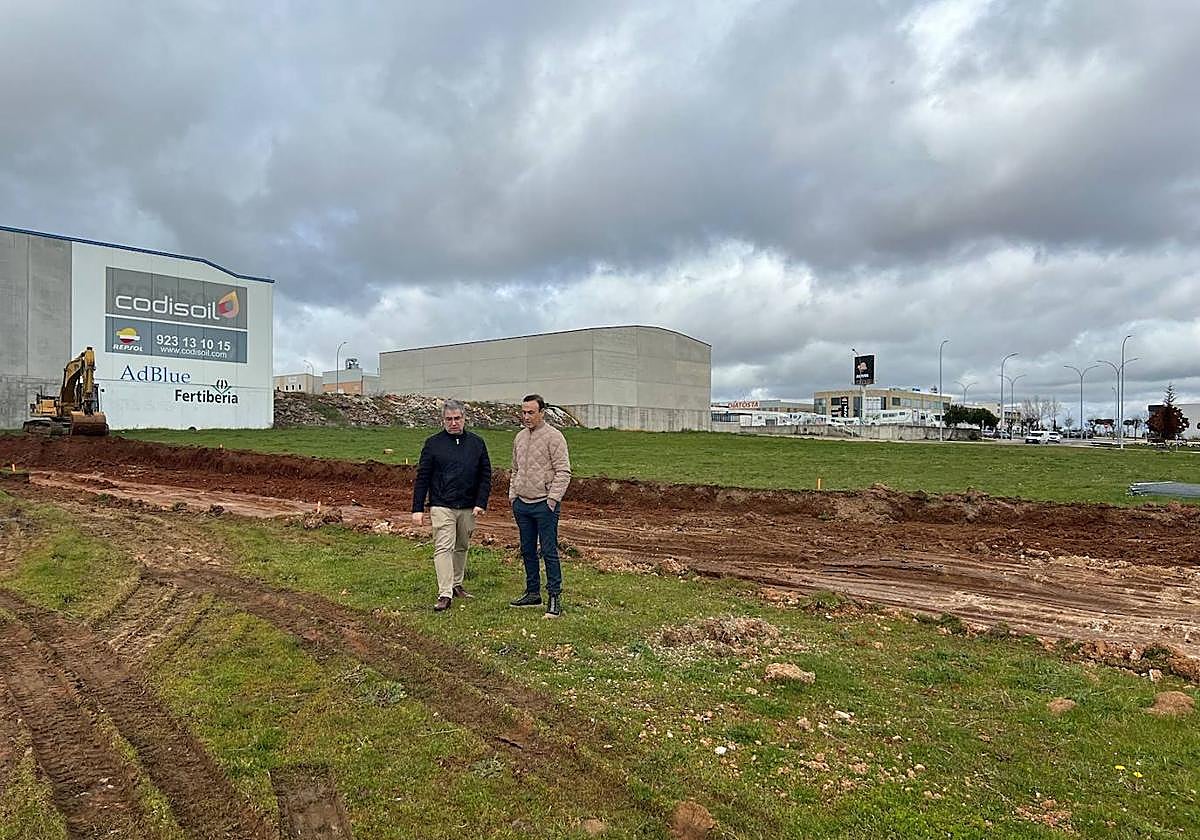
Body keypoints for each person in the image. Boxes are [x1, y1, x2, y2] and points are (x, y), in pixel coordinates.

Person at [411, 399, 492, 612]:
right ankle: (445, 593)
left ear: (464, 418)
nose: (453, 423)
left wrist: (480, 502)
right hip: (441, 505)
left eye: (457, 418)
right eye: (449, 419)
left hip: (467, 506)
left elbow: (485, 475)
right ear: (442, 420)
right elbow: (423, 477)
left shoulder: (477, 443)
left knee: (462, 546)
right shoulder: (433, 444)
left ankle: (457, 584)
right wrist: (417, 508)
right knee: (443, 547)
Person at [508, 394, 572, 618]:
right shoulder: (519, 438)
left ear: (542, 413)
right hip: (522, 504)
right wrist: (513, 495)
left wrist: (552, 500)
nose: (526, 417)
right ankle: (533, 592)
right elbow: (514, 469)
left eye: (531, 412)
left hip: (544, 505)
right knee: (527, 550)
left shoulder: (554, 437)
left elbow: (563, 471)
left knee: (549, 551)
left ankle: (554, 598)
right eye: (523, 412)